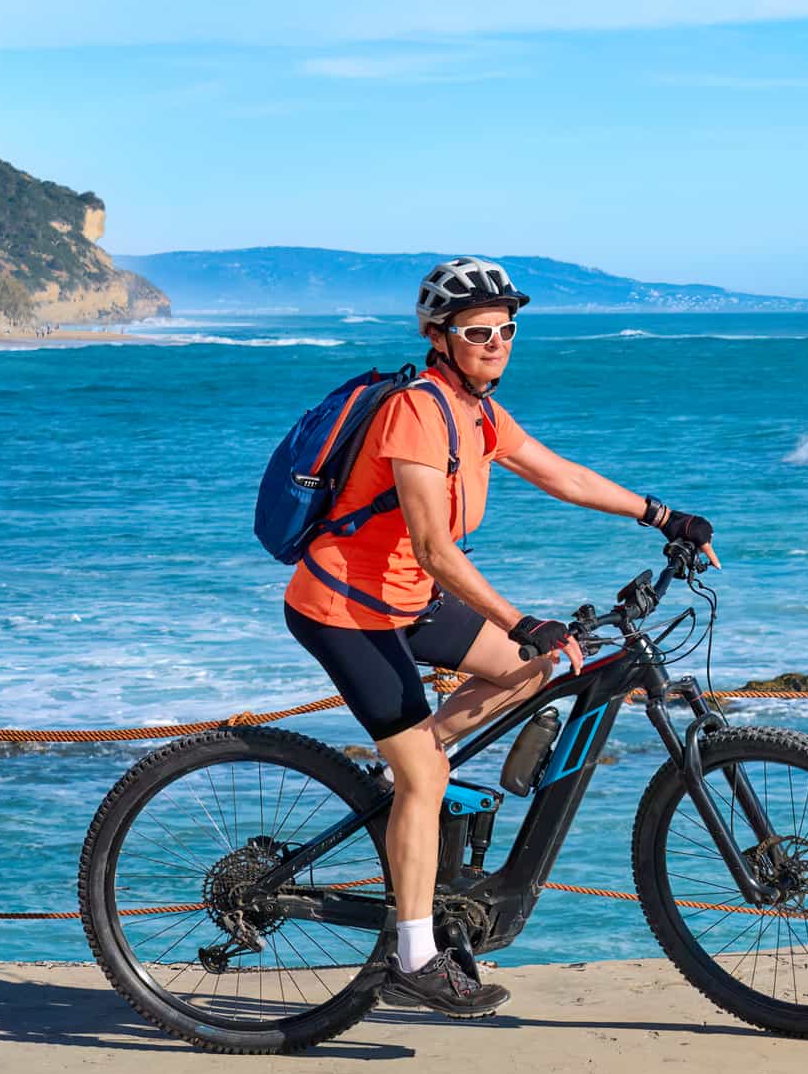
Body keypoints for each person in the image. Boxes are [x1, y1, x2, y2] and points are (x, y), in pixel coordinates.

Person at [282, 257, 717, 1016]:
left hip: (406, 601)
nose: (496, 343)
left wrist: (661, 515)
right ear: (438, 337)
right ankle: (414, 955)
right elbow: (433, 546)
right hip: (343, 605)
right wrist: (519, 617)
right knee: (429, 772)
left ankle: (404, 780)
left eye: (506, 329)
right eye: (477, 331)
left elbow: (562, 475)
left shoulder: (476, 411)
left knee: (538, 668)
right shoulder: (415, 410)